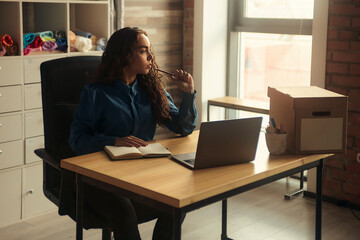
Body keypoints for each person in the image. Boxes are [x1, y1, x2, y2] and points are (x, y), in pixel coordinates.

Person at [68, 27, 197, 239]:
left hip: (141, 175)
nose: (150, 57)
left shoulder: (152, 89)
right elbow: (77, 140)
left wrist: (188, 94)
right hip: (101, 180)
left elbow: (183, 127)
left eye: (149, 50)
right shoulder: (96, 93)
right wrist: (114, 141)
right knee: (123, 209)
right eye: (143, 51)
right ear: (124, 55)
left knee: (180, 197)